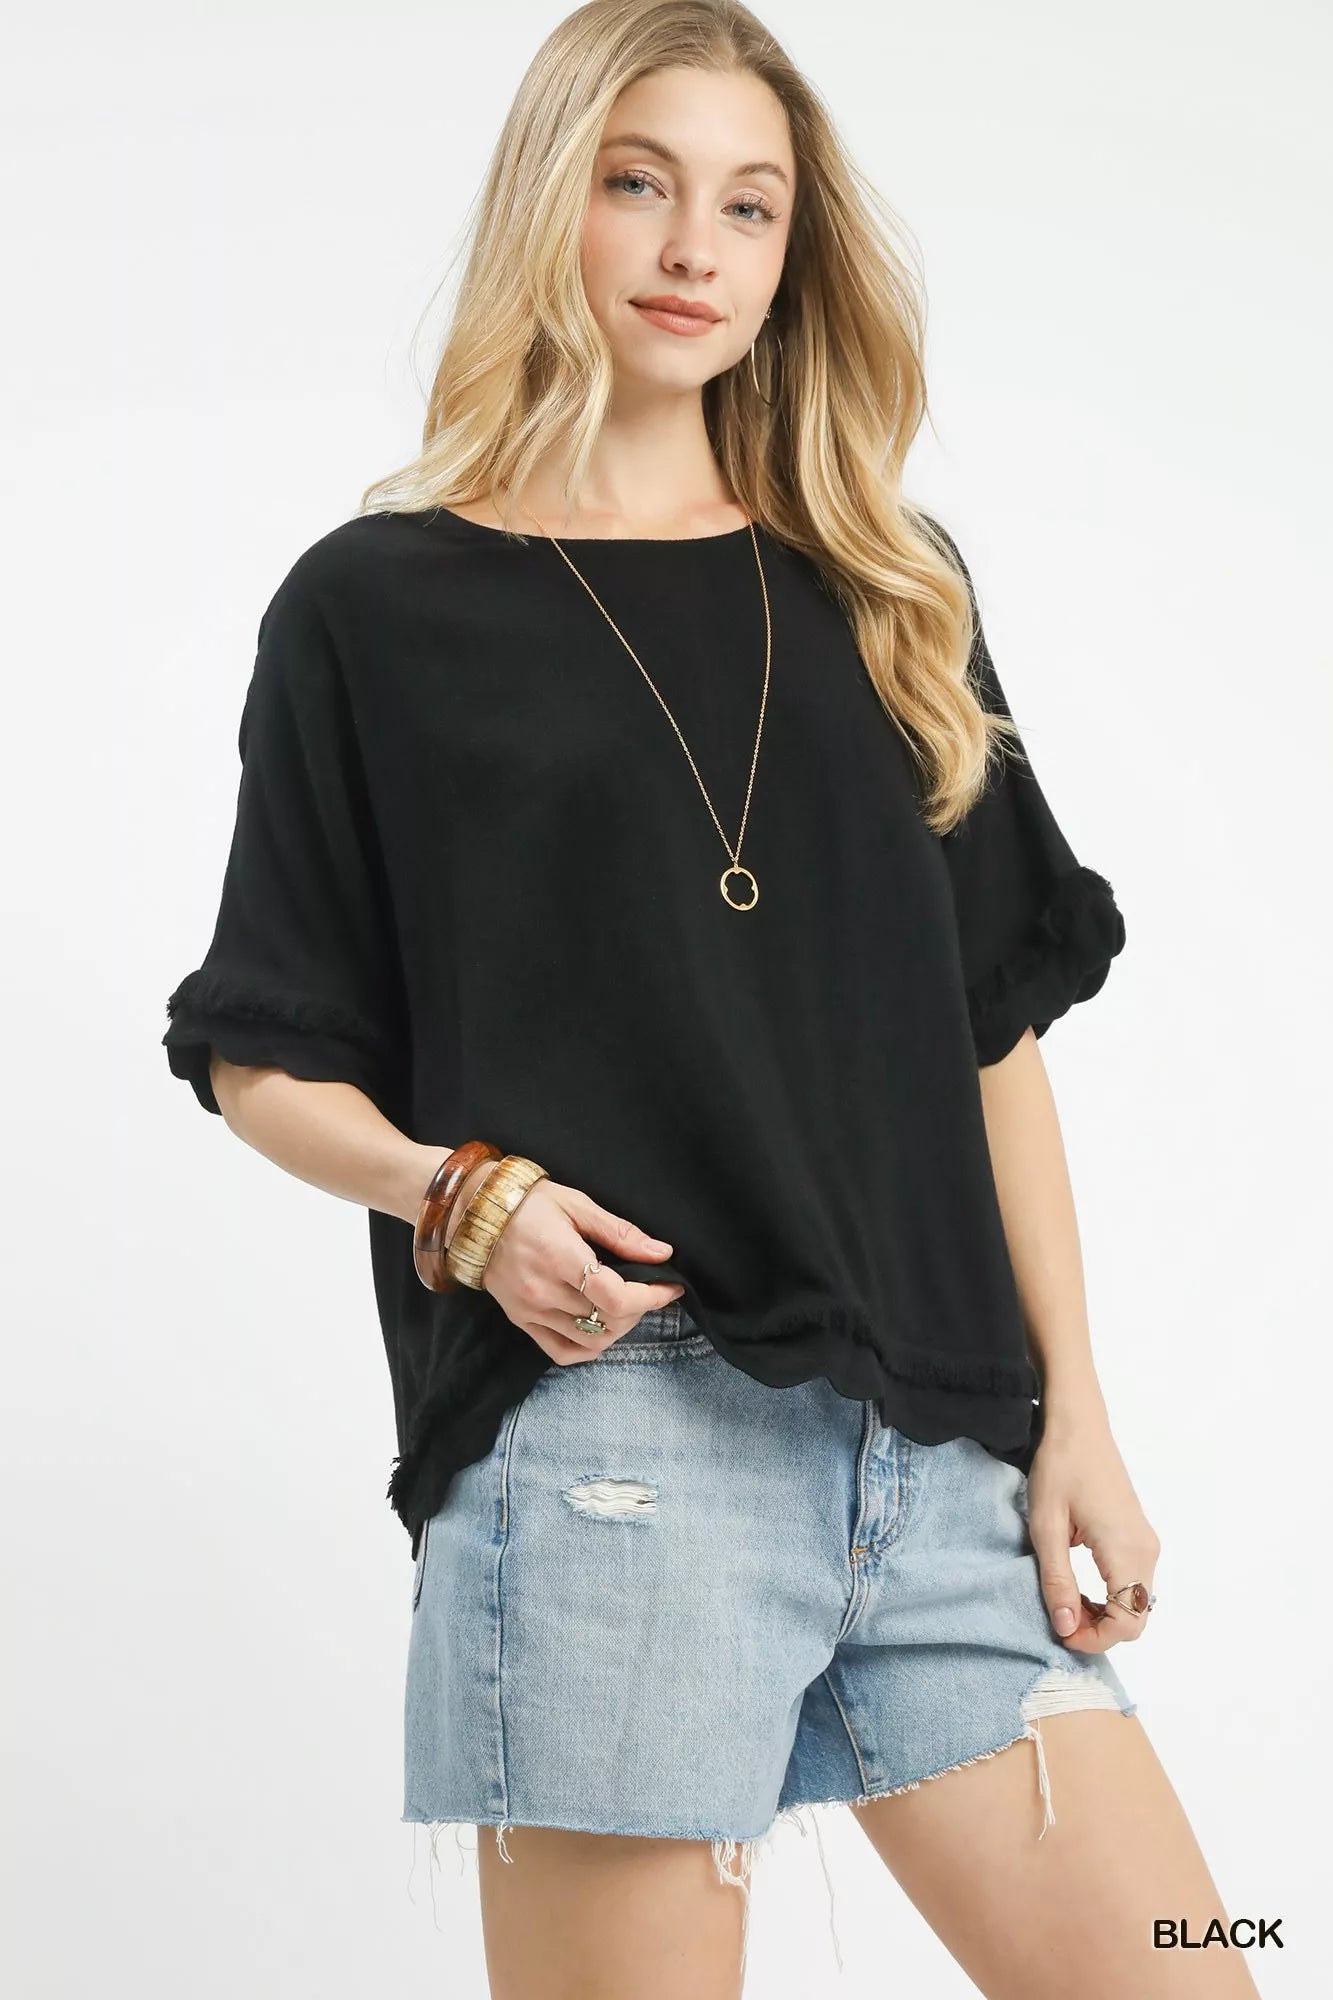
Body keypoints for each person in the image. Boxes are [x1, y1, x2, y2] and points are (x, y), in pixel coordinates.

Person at [161, 5, 1260, 1996]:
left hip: (938, 1452)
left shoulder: (889, 583)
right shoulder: (376, 607)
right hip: (616, 1443)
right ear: (550, 206)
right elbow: (263, 1052)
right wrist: (456, 1196)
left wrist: (1077, 1420)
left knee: (1198, 1959)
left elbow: (991, 1038)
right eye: (639, 184)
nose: (693, 247)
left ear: (789, 254)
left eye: (749, 207)